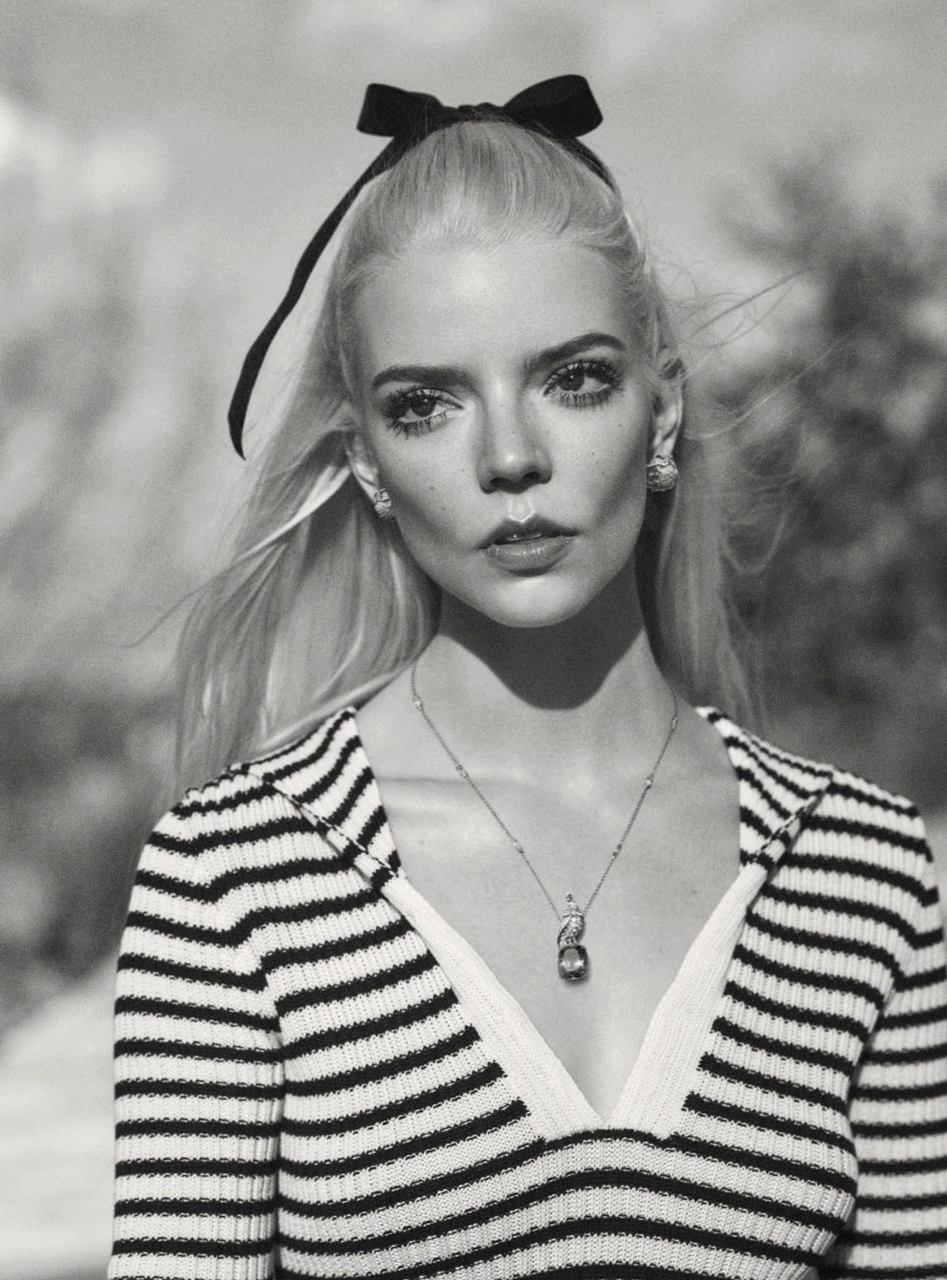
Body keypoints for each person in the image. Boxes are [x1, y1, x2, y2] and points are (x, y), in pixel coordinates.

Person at [108, 79, 947, 1279]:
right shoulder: (234, 877)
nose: (509, 456)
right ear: (368, 460)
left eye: (574, 378)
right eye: (425, 404)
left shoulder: (859, 873)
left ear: (662, 410)